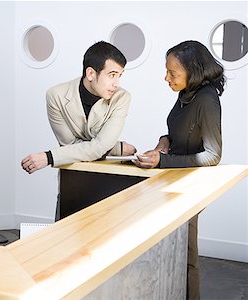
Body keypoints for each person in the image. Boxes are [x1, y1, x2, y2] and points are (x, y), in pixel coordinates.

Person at [134, 40, 225, 300]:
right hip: (174, 181)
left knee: (186, 255)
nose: (166, 78)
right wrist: (165, 141)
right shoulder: (185, 93)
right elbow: (181, 132)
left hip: (190, 186)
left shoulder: (207, 99)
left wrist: (161, 162)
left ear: (193, 71)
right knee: (171, 251)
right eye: (167, 71)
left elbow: (212, 155)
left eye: (172, 73)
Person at [21, 41, 136, 175]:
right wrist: (116, 148)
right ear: (91, 74)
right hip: (72, 176)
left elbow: (100, 147)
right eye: (112, 75)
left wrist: (48, 157)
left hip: (107, 174)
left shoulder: (122, 97)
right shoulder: (56, 96)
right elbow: (69, 146)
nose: (117, 83)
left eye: (119, 76)